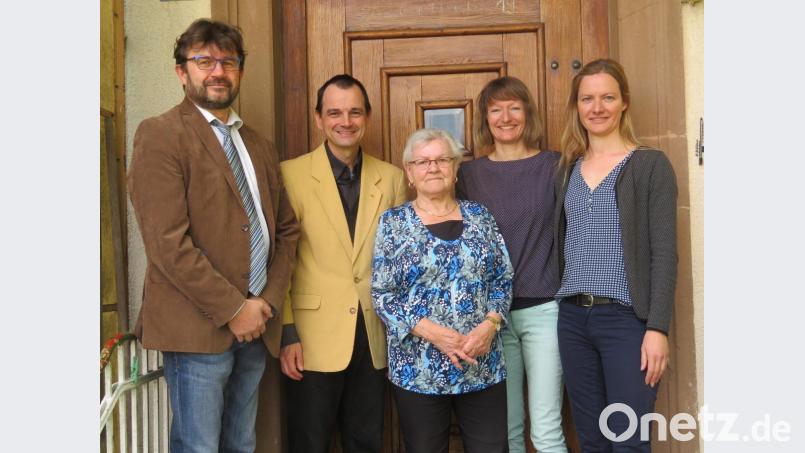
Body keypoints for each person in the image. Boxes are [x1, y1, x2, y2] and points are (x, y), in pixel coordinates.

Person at [127, 18, 299, 453]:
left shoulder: (258, 145)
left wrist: (264, 304)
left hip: (256, 327)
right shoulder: (160, 134)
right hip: (196, 327)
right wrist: (232, 308)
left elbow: (285, 229)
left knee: (241, 443)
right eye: (204, 60)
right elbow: (167, 243)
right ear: (181, 71)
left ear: (240, 69)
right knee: (198, 447)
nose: (217, 71)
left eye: (228, 61)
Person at [554, 58, 678, 452]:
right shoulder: (567, 169)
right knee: (592, 441)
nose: (597, 107)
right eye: (587, 98)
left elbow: (664, 253)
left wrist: (657, 328)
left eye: (607, 97)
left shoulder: (649, 165)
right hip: (572, 321)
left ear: (624, 102)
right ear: (577, 106)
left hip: (626, 323)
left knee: (627, 439)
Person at [278, 74, 407, 453]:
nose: (344, 121)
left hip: (374, 333)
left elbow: (400, 260)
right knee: (309, 441)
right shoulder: (290, 175)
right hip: (310, 336)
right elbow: (279, 259)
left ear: (367, 116)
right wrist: (287, 332)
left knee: (366, 441)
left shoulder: (393, 178)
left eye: (354, 112)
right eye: (334, 112)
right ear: (319, 118)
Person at [372, 128, 514, 453]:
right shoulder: (392, 224)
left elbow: (502, 278)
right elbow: (383, 295)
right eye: (422, 161)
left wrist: (490, 325)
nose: (432, 167)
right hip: (418, 368)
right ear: (409, 172)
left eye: (441, 159)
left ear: (455, 168)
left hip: (482, 363)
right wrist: (434, 333)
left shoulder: (481, 216)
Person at [456, 76, 568, 453]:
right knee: (507, 433)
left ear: (527, 114)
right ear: (485, 119)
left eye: (514, 107)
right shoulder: (469, 176)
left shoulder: (555, 166)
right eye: (495, 109)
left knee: (547, 432)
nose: (505, 117)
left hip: (544, 312)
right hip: (490, 320)